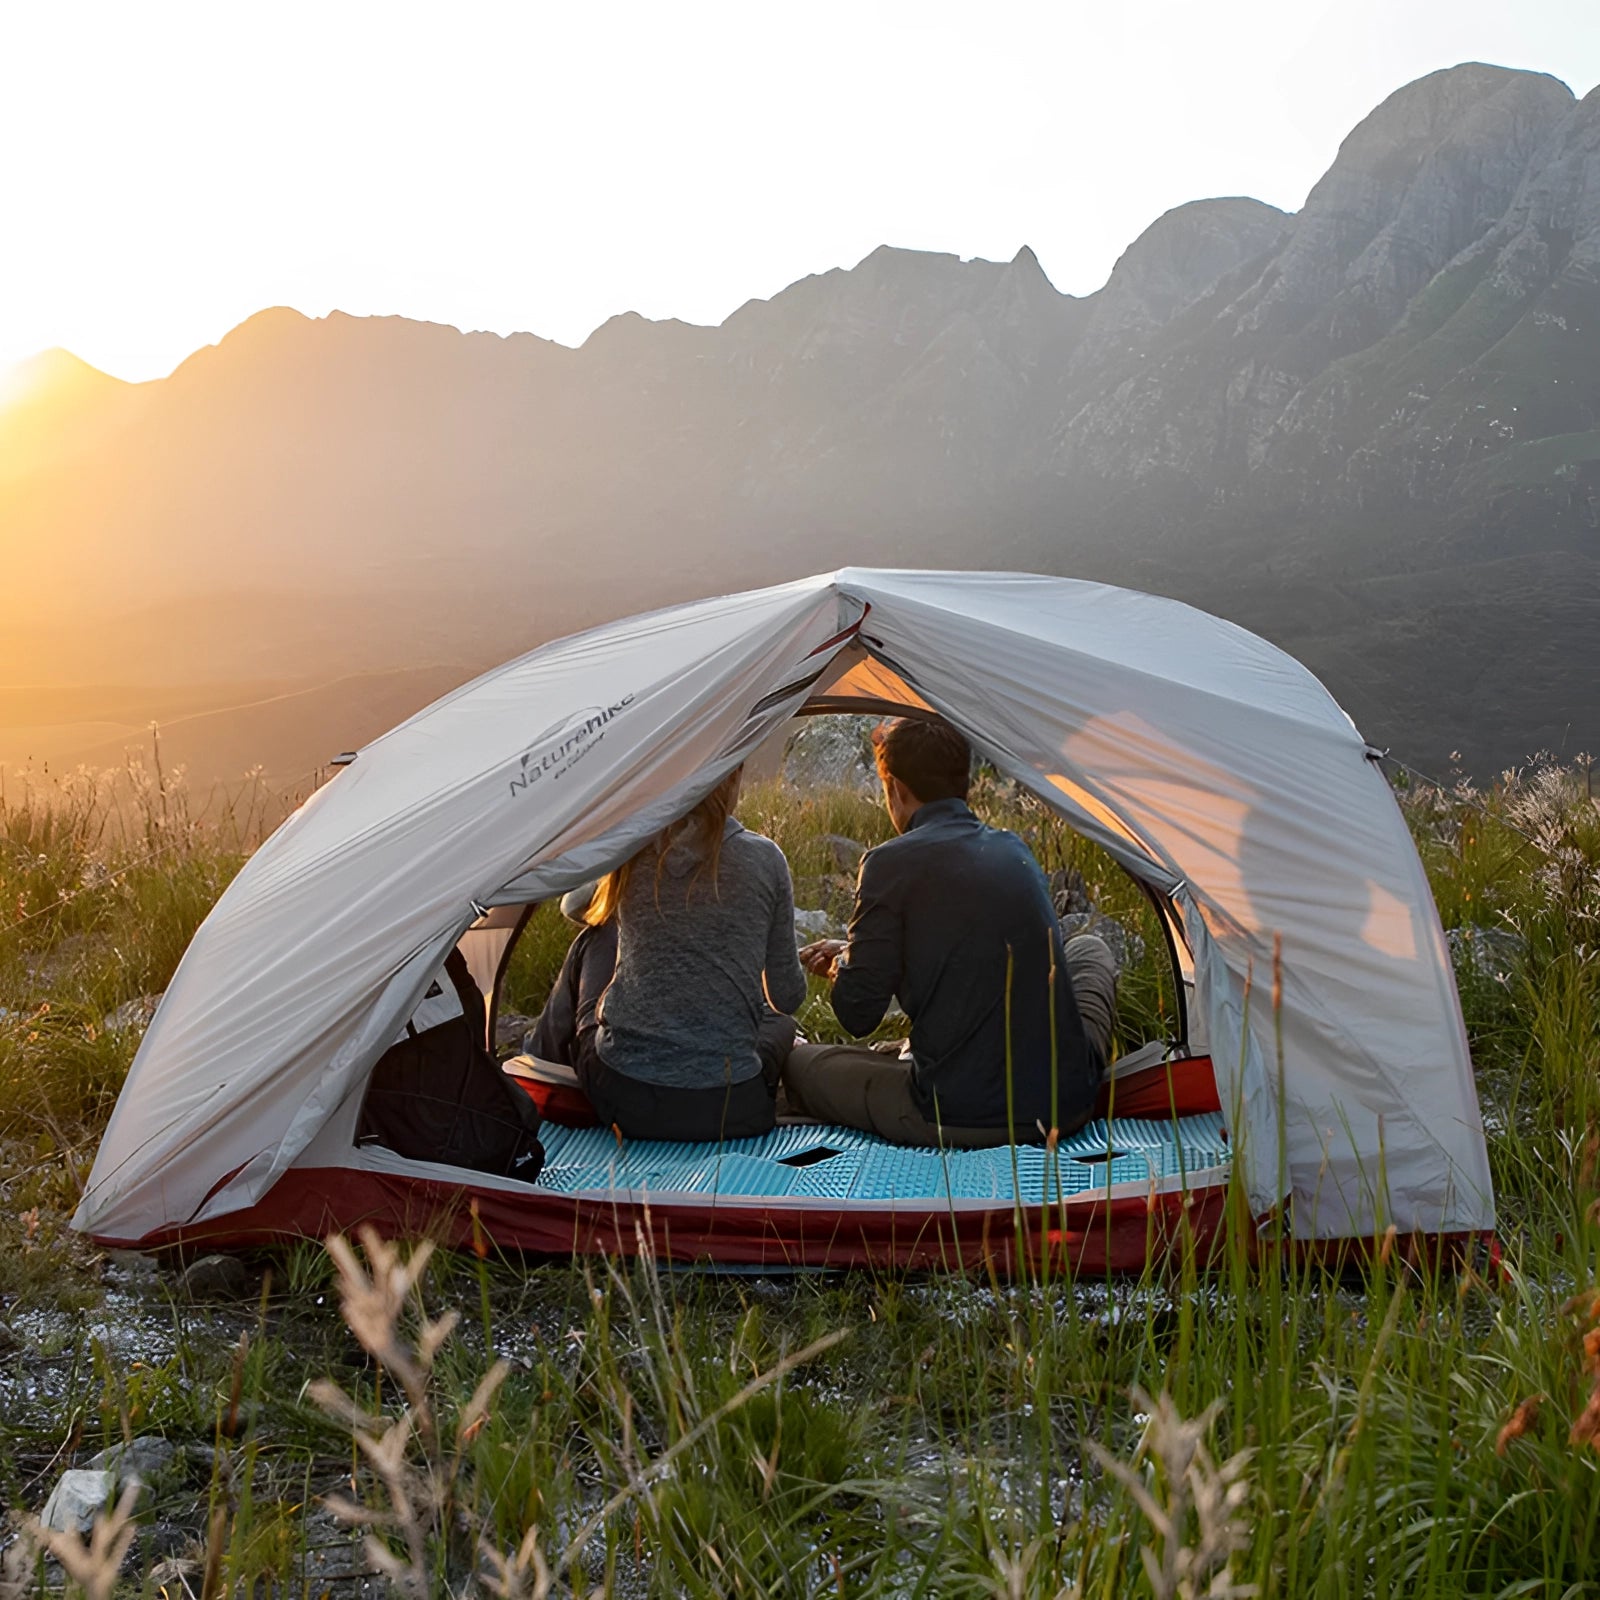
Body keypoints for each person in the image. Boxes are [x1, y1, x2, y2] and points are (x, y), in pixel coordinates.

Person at [783, 718, 1117, 1147]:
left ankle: (902, 1068)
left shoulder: (888, 864)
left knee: (801, 1064)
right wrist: (856, 951)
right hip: (1067, 1102)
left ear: (897, 790)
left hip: (959, 1112)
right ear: (966, 785)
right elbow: (969, 945)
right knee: (1089, 948)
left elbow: (857, 1014)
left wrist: (845, 965)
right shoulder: (1013, 847)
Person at [530, 766, 806, 1140]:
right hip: (732, 1109)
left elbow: (574, 907)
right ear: (735, 775)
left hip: (623, 1095)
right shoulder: (765, 859)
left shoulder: (637, 844)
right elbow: (787, 997)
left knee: (595, 935)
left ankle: (537, 1060)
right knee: (781, 1023)